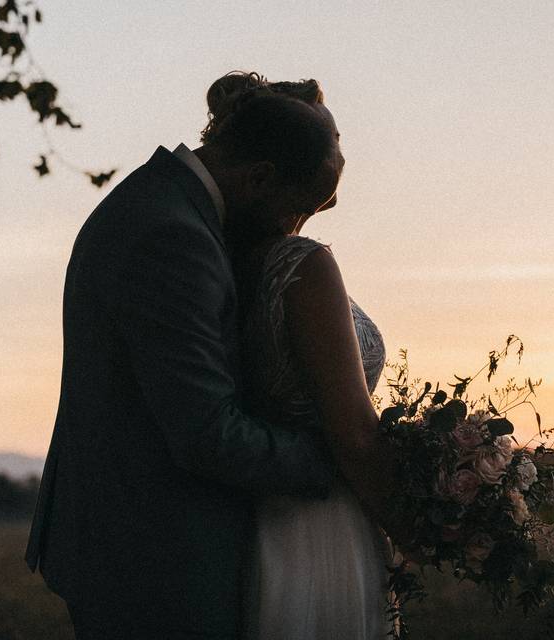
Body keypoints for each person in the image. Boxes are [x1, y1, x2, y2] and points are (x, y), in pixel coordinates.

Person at [24, 73, 359, 639]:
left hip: (136, 539)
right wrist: (340, 459)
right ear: (259, 178)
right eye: (299, 209)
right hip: (154, 557)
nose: (296, 231)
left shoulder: (161, 203)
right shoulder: (172, 237)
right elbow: (208, 433)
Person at [205, 73, 394, 639]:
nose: (337, 148)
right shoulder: (303, 265)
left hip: (256, 518)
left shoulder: (227, 262)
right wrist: (424, 525)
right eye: (330, 137)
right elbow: (356, 435)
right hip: (320, 525)